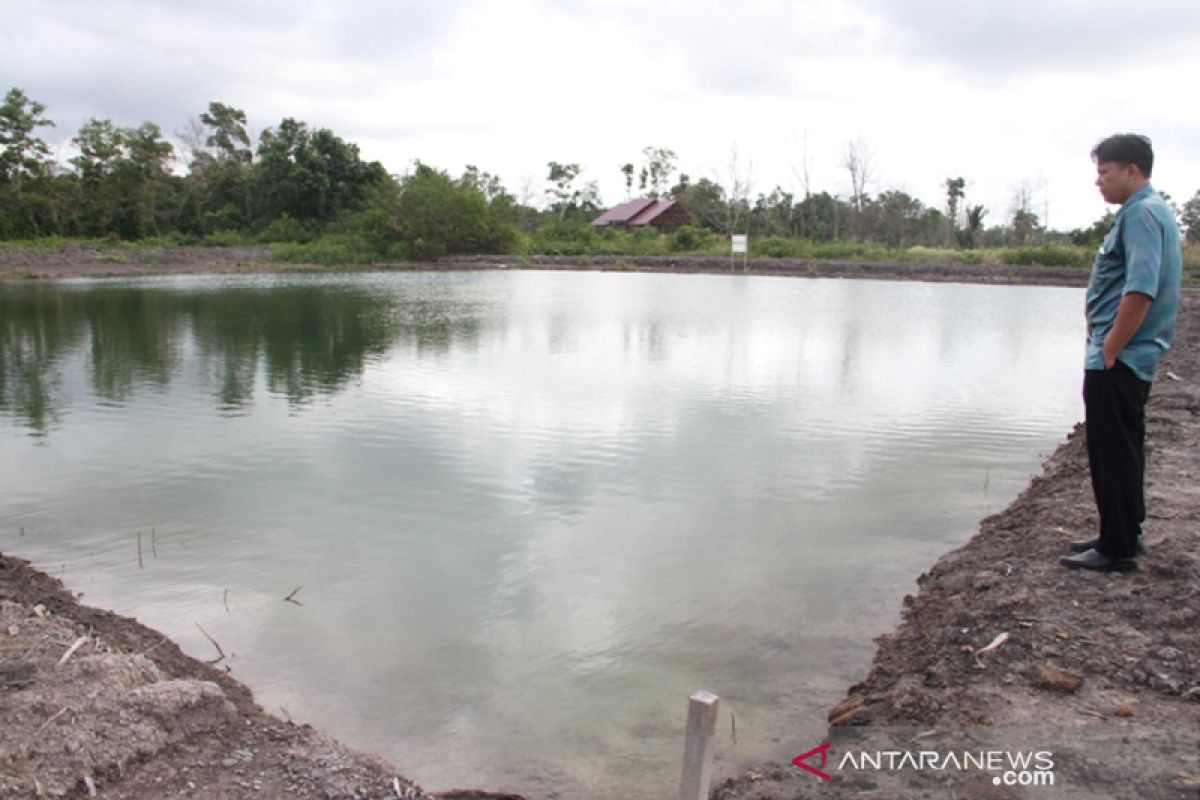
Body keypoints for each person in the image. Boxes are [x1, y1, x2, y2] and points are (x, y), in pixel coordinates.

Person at [1060, 134, 1183, 572]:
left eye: (1105, 172)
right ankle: (1121, 530)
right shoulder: (1145, 212)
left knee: (1113, 449)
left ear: (1132, 170)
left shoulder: (1143, 215)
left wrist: (1111, 349)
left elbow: (1140, 289)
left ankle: (1117, 548)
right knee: (1118, 447)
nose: (1099, 181)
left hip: (1122, 357)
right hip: (1124, 355)